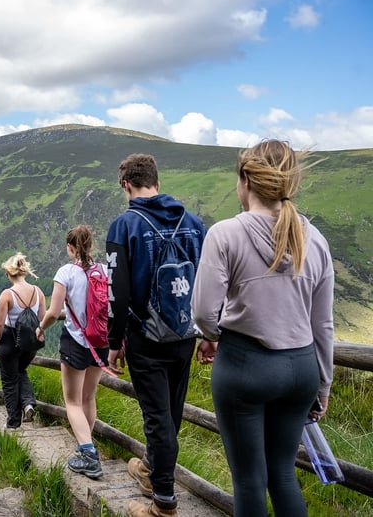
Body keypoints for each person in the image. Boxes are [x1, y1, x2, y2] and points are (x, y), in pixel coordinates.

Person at [192, 140, 334, 517]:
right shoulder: (315, 240)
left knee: (249, 481)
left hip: (245, 366)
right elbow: (323, 324)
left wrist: (212, 336)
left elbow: (205, 313)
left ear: (245, 180)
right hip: (301, 369)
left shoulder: (225, 234)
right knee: (283, 475)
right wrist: (323, 384)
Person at [104, 153, 207, 517]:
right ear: (157, 183)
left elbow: (116, 291)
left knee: (157, 417)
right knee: (171, 413)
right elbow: (208, 283)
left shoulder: (124, 226)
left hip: (145, 337)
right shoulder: (194, 224)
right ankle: (150, 468)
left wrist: (114, 342)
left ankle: (163, 500)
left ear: (126, 185)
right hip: (184, 333)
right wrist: (208, 331)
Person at [36, 225, 107, 480]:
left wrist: (40, 327)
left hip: (76, 341)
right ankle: (86, 447)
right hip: (101, 340)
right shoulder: (104, 270)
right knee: (89, 397)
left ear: (70, 248)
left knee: (73, 401)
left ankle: (88, 453)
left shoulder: (65, 272)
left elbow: (54, 312)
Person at [0, 252, 46, 429]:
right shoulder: (38, 292)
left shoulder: (7, 295)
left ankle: (14, 422)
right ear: (24, 272)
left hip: (9, 339)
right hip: (30, 342)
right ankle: (28, 403)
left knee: (9, 380)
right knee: (20, 370)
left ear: (9, 274)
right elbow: (42, 318)